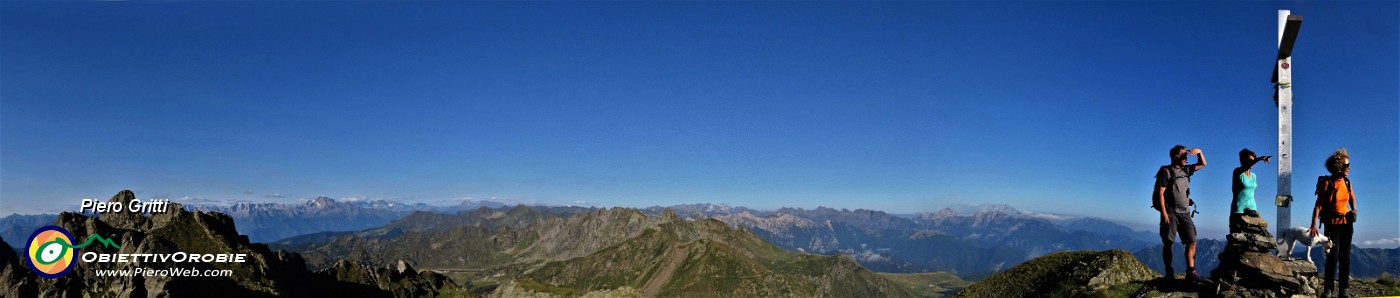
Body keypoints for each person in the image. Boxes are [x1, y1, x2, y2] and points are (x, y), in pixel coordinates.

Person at [1154, 145, 1207, 282]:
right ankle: (1169, 273)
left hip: (1185, 213)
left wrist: (1200, 152)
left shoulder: (1186, 170)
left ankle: (1191, 271)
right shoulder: (1166, 172)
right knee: (1169, 243)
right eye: (1184, 156)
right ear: (1175, 157)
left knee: (1192, 241)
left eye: (1187, 156)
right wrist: (1164, 213)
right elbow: (1160, 193)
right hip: (1171, 212)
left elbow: (1203, 164)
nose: (1186, 159)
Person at [1311, 148, 1356, 298]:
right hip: (1333, 224)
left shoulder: (1347, 182)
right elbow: (1319, 205)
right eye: (1346, 165)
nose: (1349, 168)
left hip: (1347, 224)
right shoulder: (1327, 183)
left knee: (1345, 257)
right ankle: (1328, 290)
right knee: (1333, 257)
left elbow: (1352, 197)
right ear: (1337, 166)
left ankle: (1344, 290)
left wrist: (1354, 210)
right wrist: (1313, 225)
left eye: (1348, 165)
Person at [1230, 149, 1271, 233]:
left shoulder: (1253, 176)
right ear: (1242, 160)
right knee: (1237, 240)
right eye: (1250, 160)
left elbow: (1253, 193)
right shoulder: (1237, 172)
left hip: (1252, 210)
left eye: (1253, 160)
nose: (1252, 162)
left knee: (1252, 239)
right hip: (1239, 211)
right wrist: (1259, 159)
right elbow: (1247, 166)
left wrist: (1255, 209)